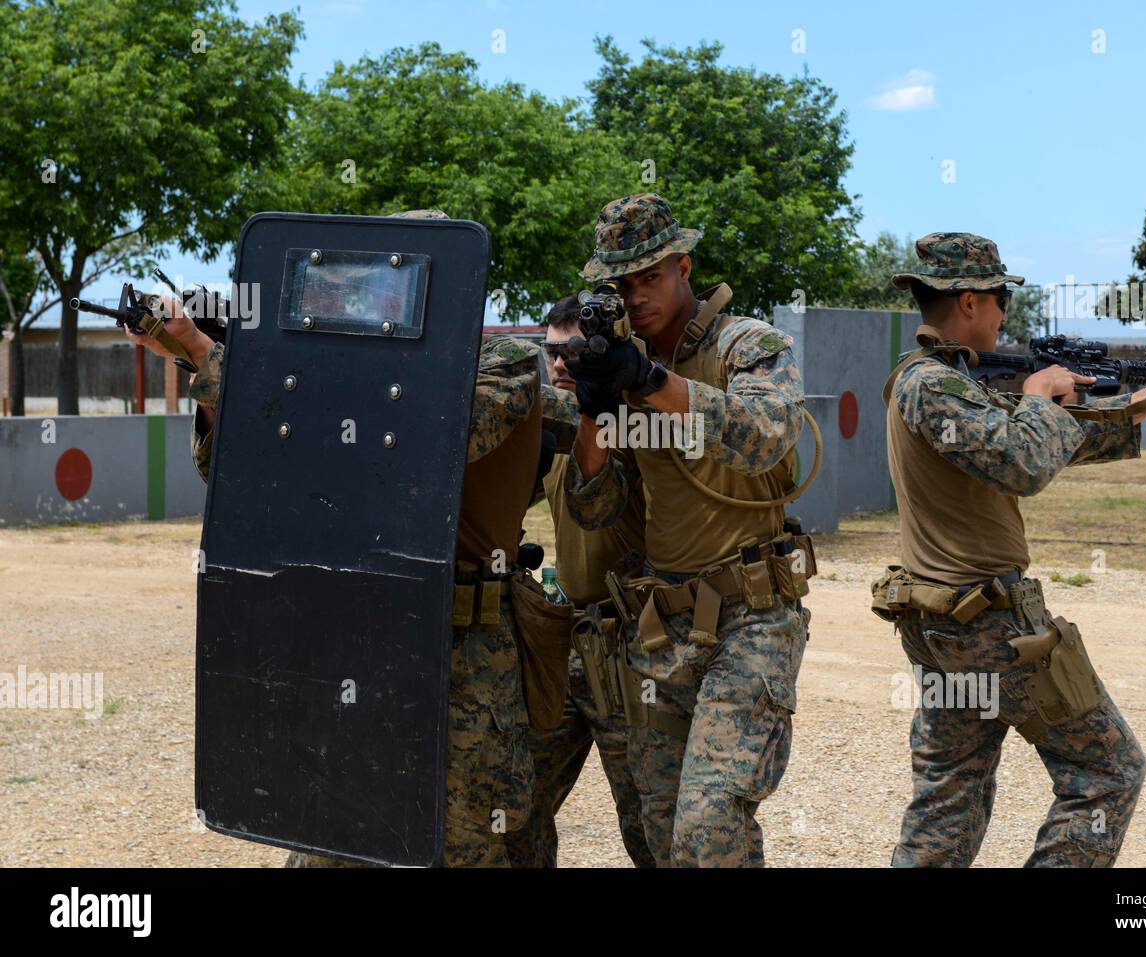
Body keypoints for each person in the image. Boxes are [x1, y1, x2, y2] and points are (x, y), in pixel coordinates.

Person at [129, 209, 558, 867]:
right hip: (346, 637)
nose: (369, 305)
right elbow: (232, 470)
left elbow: (417, 439)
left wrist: (214, 358)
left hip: (464, 659)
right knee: (329, 832)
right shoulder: (319, 375)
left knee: (466, 842)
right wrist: (220, 373)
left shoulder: (506, 361)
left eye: (390, 287)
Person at [876, 232, 1146, 867]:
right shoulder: (933, 386)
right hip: (989, 625)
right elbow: (1024, 461)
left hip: (944, 622)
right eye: (1000, 299)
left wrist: (1141, 405)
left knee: (950, 795)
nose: (1004, 314)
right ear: (969, 301)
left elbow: (1047, 442)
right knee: (1109, 772)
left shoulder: (949, 383)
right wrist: (1037, 395)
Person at [562, 193, 813, 868]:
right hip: (662, 623)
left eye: (650, 276)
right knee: (659, 832)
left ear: (684, 266)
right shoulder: (623, 363)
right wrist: (594, 406)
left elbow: (763, 438)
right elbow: (596, 506)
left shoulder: (749, 345)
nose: (636, 295)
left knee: (708, 825)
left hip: (751, 616)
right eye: (623, 283)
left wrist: (651, 380)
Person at [505, 296, 655, 868]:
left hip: (630, 647)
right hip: (564, 640)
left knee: (648, 818)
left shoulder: (633, 422)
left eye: (572, 354)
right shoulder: (553, 431)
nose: (560, 366)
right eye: (551, 354)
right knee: (519, 802)